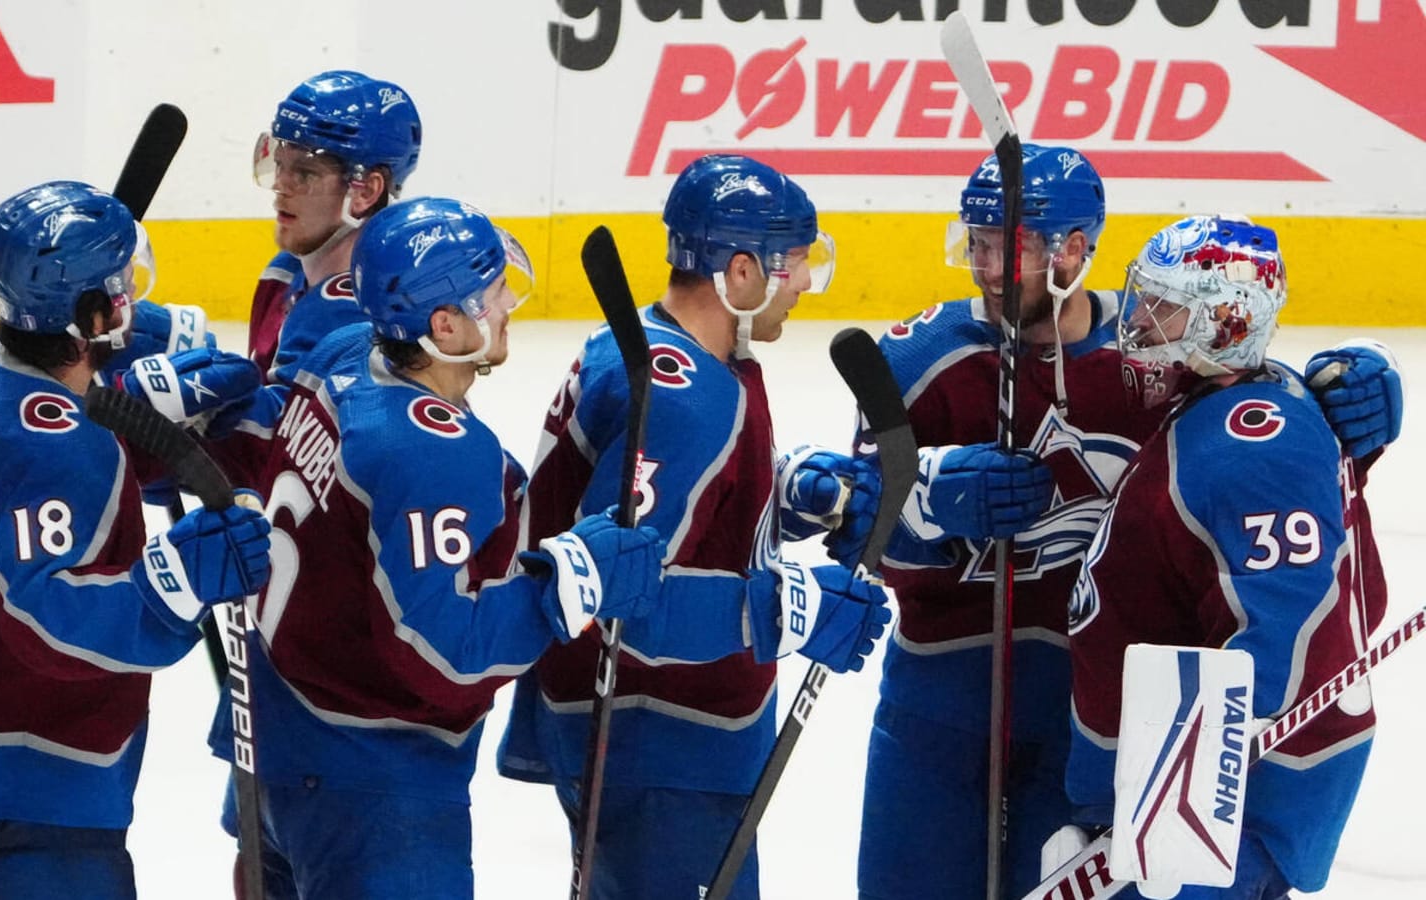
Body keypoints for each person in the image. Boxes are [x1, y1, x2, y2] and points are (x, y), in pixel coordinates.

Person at [833, 146, 1407, 900]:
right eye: (978, 244)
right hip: (943, 697)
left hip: (1101, 718)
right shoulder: (921, 358)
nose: (990, 267)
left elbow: (1250, 444)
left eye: (1016, 248)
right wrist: (926, 500)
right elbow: (849, 522)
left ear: (1076, 248)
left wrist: (1351, 398)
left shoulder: (1150, 360)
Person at [208, 196, 667, 899]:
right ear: (444, 325)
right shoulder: (429, 453)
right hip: (373, 781)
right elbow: (442, 650)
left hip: (279, 743)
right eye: (490, 293)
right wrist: (568, 583)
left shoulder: (341, 355)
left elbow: (264, 441)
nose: (509, 301)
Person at [495, 153, 892, 900]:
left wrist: (791, 488)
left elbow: (686, 503)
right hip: (656, 743)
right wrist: (789, 608)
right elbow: (611, 603)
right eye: (795, 263)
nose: (805, 283)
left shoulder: (668, 352)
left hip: (652, 742)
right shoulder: (682, 401)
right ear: (740, 273)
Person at [0, 180, 273, 900]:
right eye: (118, 289)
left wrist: (131, 410)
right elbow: (43, 621)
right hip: (24, 762)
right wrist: (173, 582)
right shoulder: (54, 444)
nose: (131, 301)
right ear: (88, 314)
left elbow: (61, 450)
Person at [1063, 214, 1387, 897]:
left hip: (1215, 813)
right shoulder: (1229, 405)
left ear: (1229, 319)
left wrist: (1183, 790)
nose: (1141, 322)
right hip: (1186, 797)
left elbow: (1289, 630)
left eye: (1165, 306)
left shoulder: (1253, 443)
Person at [245, 69, 422, 382]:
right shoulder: (284, 273)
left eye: (305, 173)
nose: (280, 185)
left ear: (365, 191)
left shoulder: (373, 319)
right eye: (279, 164)